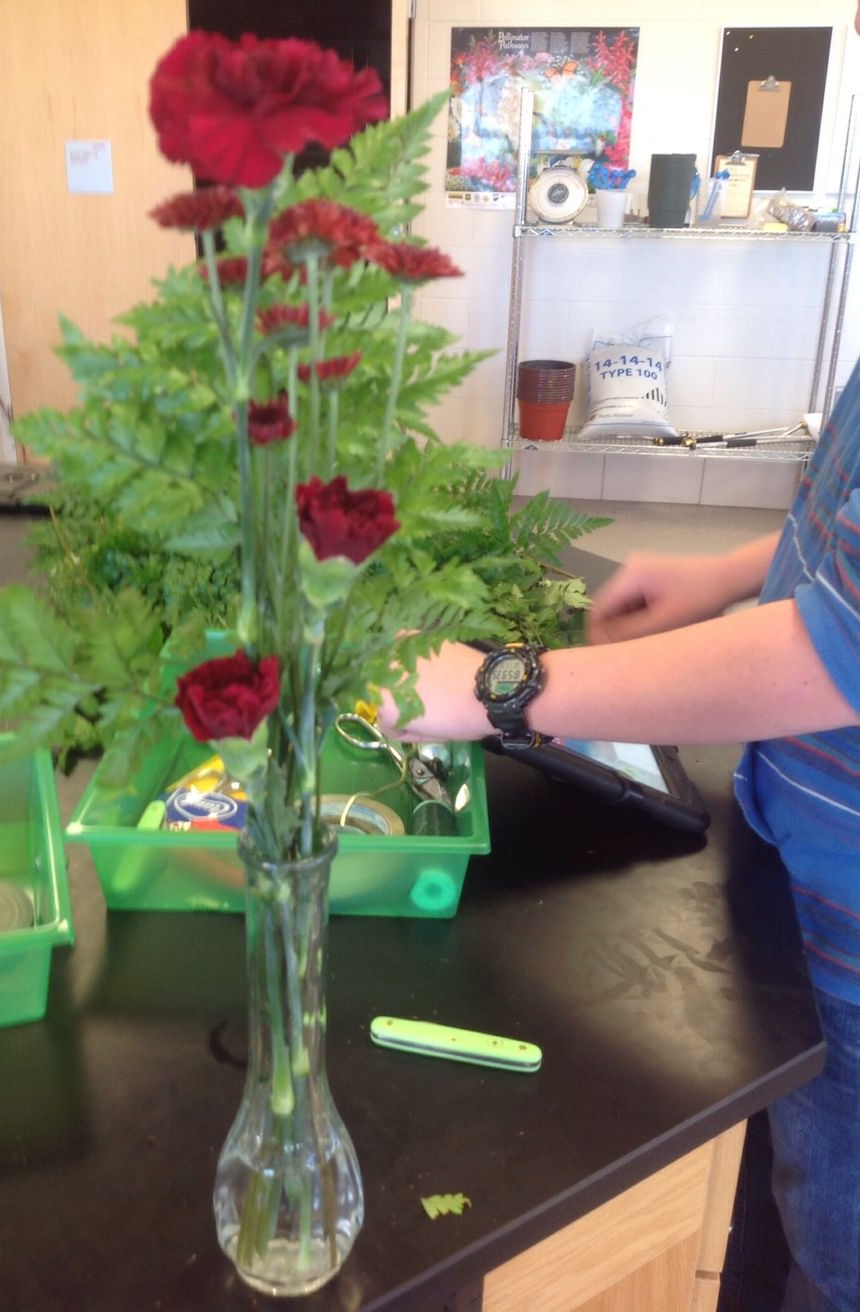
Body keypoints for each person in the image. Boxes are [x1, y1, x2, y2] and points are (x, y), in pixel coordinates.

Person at [378, 15, 860, 1309]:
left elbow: (835, 659)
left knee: (836, 1252)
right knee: (777, 1211)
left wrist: (503, 689)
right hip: (806, 872)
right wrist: (739, 568)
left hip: (857, 937)